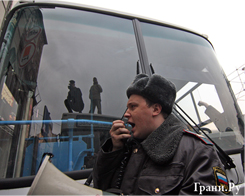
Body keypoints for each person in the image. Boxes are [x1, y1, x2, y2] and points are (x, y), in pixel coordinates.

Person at [93, 74, 230, 195]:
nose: (126, 114)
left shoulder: (197, 151)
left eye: (133, 107)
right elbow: (99, 188)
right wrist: (114, 151)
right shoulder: (126, 146)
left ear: (156, 109)